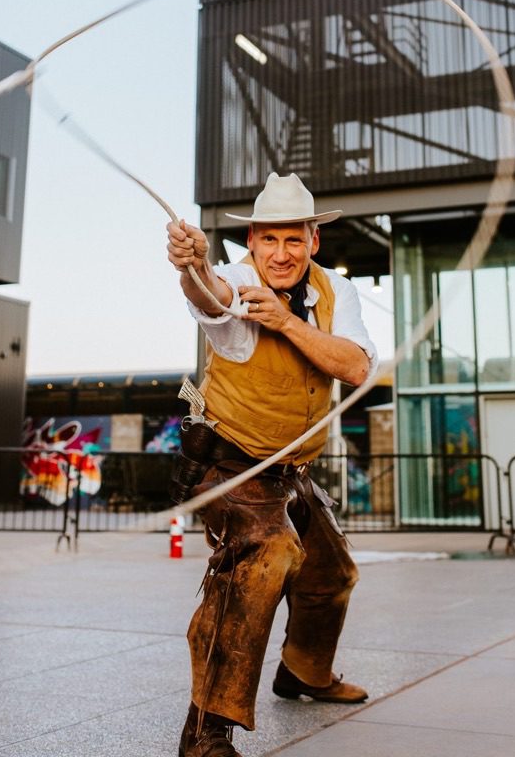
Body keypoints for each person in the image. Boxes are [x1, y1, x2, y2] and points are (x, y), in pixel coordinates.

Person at [166, 172, 378, 757]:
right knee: (263, 561)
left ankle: (305, 673)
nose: (280, 255)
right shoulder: (233, 277)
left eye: (293, 241)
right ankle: (205, 734)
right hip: (228, 462)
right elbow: (211, 299)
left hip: (292, 467)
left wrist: (287, 321)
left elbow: (357, 368)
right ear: (251, 242)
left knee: (331, 572)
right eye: (268, 241)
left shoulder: (338, 292)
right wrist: (193, 270)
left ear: (314, 241)